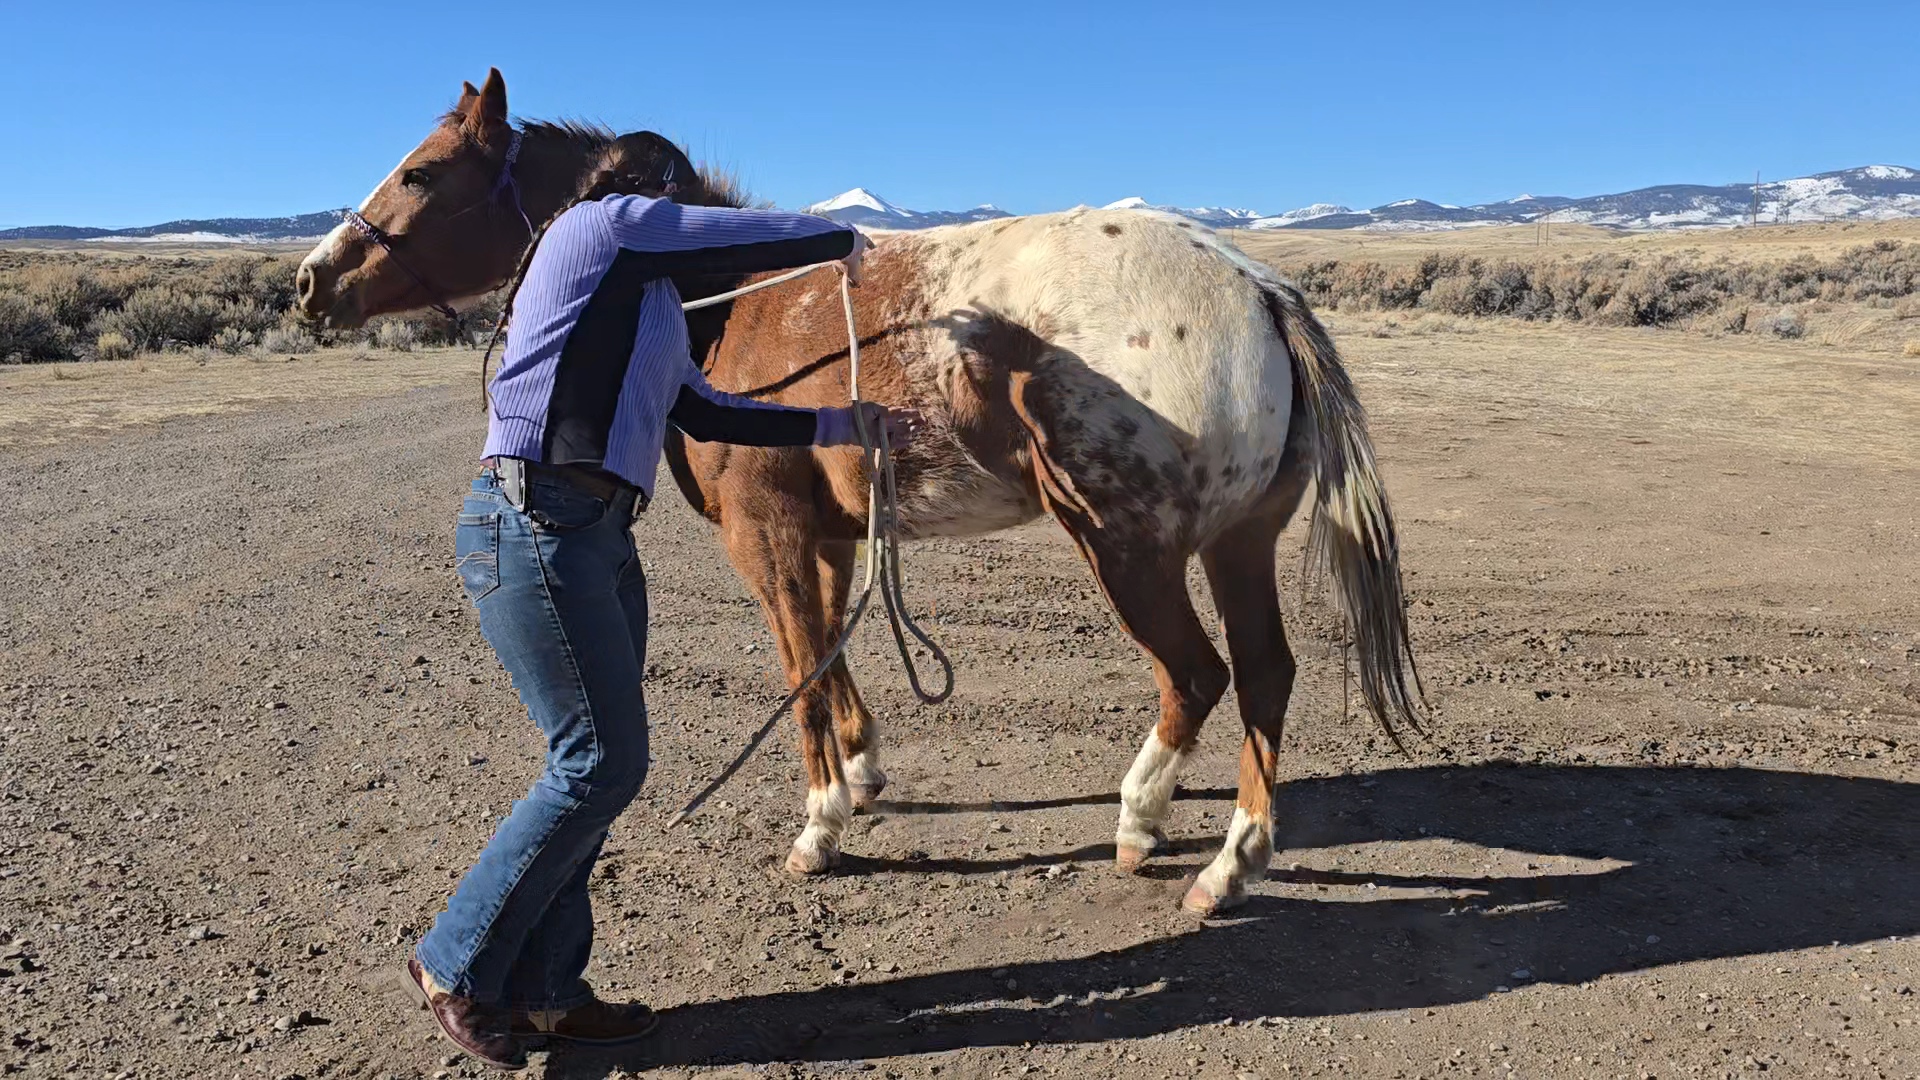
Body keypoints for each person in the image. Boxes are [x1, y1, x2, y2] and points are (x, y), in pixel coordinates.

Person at [405, 172, 918, 1069]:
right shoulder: (599, 226)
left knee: (591, 767)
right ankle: (454, 962)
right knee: (599, 764)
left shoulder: (650, 310)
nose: (674, 227)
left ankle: (551, 996)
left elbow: (711, 410)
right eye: (667, 211)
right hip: (532, 522)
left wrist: (848, 419)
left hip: (597, 534)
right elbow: (739, 236)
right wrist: (838, 238)